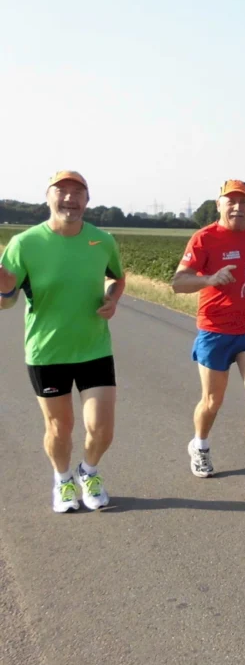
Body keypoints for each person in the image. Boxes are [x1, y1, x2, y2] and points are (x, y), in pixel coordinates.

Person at [0, 171, 124, 512]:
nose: (70, 198)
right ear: (48, 197)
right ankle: (63, 479)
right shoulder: (24, 243)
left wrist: (112, 298)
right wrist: (5, 288)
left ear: (87, 200)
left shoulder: (102, 241)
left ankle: (89, 471)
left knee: (102, 428)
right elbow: (7, 300)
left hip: (94, 347)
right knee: (59, 427)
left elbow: (116, 277)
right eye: (62, 191)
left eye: (77, 192)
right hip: (47, 352)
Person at [171, 179, 245, 492]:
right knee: (212, 401)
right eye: (230, 201)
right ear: (219, 205)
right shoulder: (204, 238)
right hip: (215, 331)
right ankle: (200, 445)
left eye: (243, 201)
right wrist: (209, 279)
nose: (237, 207)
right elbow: (178, 283)